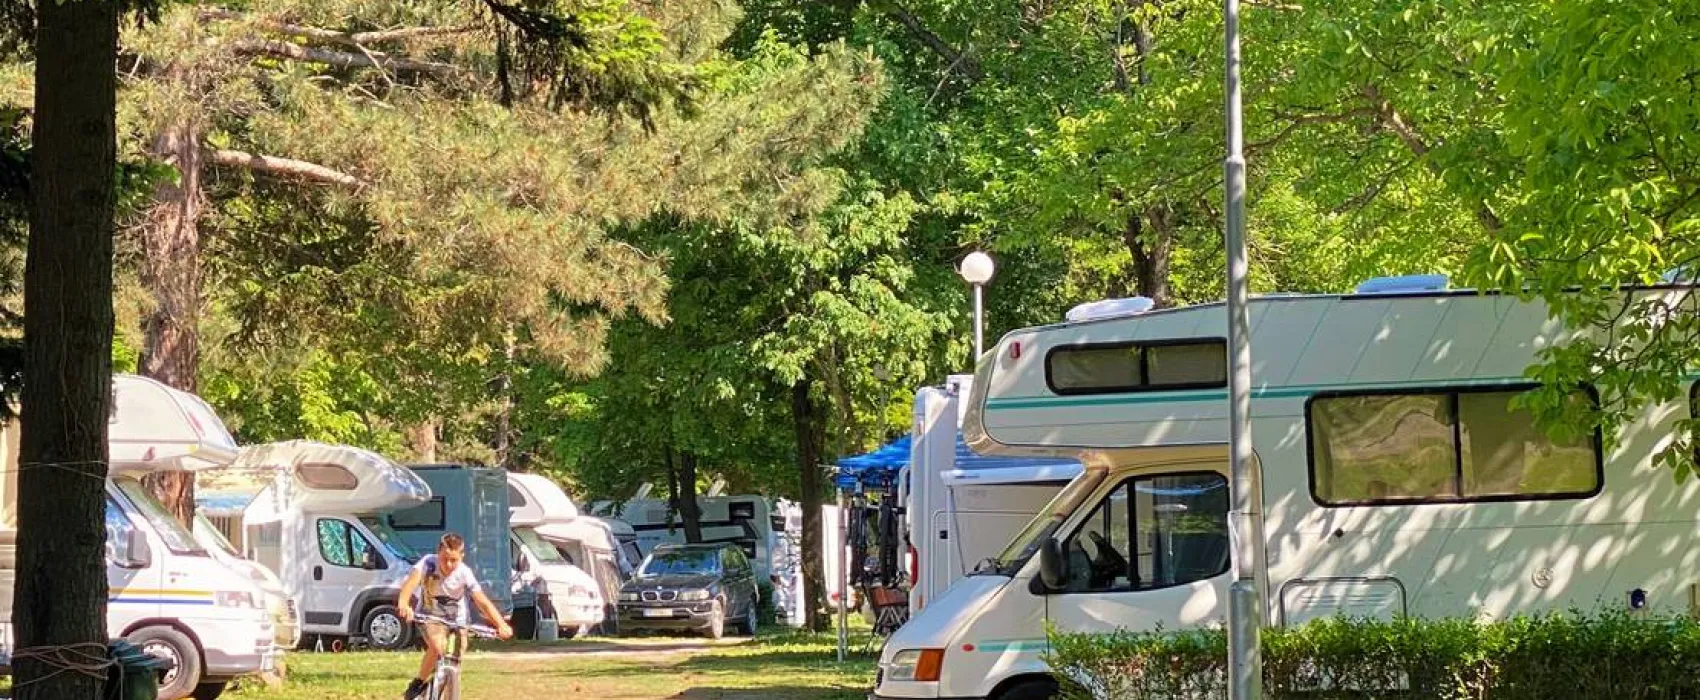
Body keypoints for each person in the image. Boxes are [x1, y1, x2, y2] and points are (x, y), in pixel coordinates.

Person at [398, 533, 514, 700]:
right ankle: (418, 684)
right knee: (439, 645)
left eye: (454, 560)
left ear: (462, 556)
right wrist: (403, 604)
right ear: (438, 553)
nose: (449, 565)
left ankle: (447, 694)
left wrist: (501, 625)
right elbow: (410, 585)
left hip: (458, 620)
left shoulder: (464, 573)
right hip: (430, 616)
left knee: (454, 662)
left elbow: (483, 602)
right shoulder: (428, 563)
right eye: (445, 559)